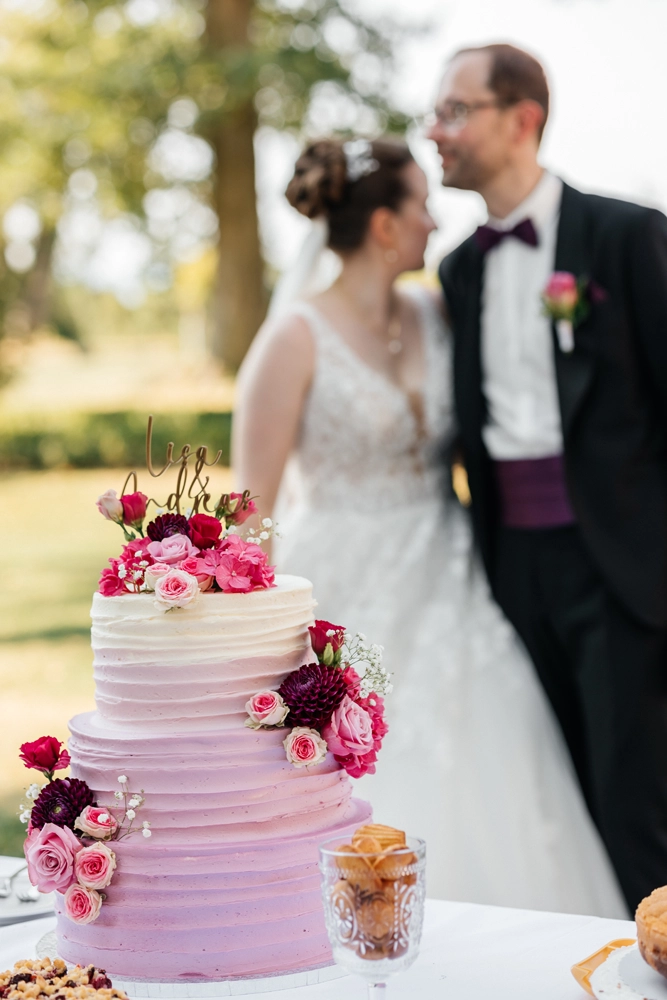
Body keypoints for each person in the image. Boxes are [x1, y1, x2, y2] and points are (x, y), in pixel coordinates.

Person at [233, 136, 626, 915]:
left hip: (454, 580)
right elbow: (253, 515)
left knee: (501, 752)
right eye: (419, 204)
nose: (433, 218)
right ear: (383, 226)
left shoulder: (435, 309)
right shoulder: (293, 337)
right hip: (347, 593)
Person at [433, 42, 667, 911]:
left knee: (634, 800)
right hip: (509, 572)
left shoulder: (624, 232)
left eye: (455, 110)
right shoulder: (456, 271)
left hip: (620, 570)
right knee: (551, 793)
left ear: (520, 118)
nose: (436, 130)